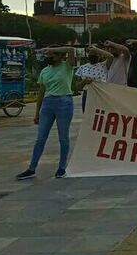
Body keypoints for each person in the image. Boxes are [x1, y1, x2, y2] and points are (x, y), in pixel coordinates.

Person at [16, 47, 76, 180]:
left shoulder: (67, 66)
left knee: (63, 138)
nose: (49, 57)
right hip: (48, 103)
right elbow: (41, 92)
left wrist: (53, 48)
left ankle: (61, 168)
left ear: (60, 56)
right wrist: (37, 112)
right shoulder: (45, 71)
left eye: (52, 55)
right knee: (40, 138)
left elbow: (71, 49)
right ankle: (32, 168)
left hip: (64, 102)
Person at [75, 46, 112, 112]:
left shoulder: (103, 65)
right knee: (87, 116)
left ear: (99, 56)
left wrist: (96, 49)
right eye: (91, 54)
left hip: (100, 95)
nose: (93, 56)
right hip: (87, 95)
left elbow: (110, 56)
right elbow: (77, 86)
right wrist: (84, 81)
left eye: (95, 54)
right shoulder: (82, 68)